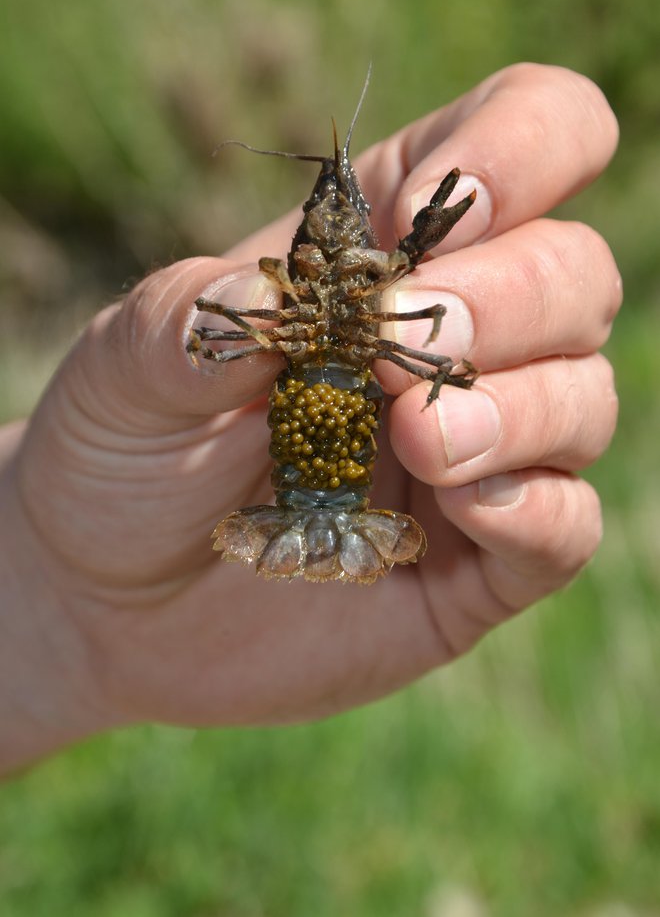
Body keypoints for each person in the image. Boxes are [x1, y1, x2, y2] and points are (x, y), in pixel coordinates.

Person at [0, 63, 621, 776]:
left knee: (429, 334)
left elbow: (416, 309)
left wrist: (46, 590)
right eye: (324, 209)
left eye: (346, 202)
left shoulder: (366, 274)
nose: (335, 210)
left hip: (337, 448)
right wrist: (47, 586)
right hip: (301, 459)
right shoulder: (291, 284)